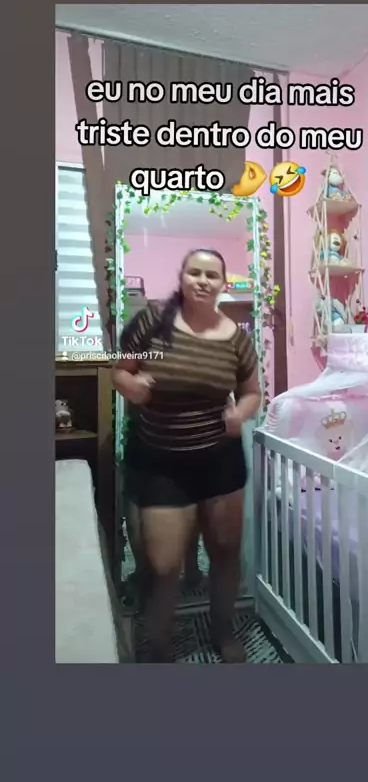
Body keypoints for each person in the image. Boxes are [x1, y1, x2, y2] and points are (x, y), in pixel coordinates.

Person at [113, 249, 261, 663]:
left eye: (211, 275)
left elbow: (252, 392)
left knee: (225, 553)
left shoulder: (237, 339)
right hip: (161, 462)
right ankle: (159, 647)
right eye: (194, 272)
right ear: (181, 278)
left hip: (220, 462)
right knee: (163, 565)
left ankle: (222, 632)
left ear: (222, 285)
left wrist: (240, 414)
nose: (202, 280)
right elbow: (121, 370)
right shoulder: (154, 321)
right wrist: (131, 386)